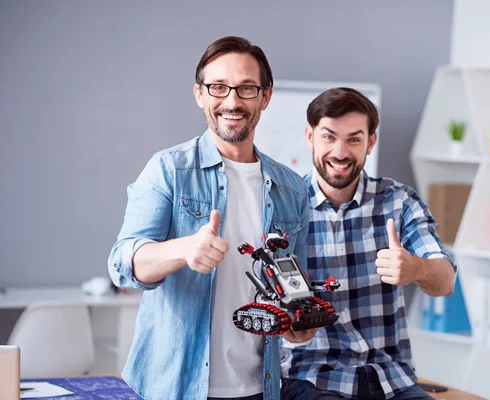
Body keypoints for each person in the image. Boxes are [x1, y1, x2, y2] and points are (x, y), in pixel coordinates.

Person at [108, 36, 315, 400]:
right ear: (200, 94)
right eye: (218, 87)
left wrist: (296, 322)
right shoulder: (169, 169)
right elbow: (123, 262)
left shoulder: (293, 189)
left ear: (265, 97)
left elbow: (293, 283)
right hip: (175, 387)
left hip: (260, 387)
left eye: (246, 88)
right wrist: (183, 250)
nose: (232, 101)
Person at [280, 88, 457, 400]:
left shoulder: (400, 201)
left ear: (370, 142)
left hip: (392, 380)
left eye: (353, 139)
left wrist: (415, 267)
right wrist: (288, 327)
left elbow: (445, 282)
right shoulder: (282, 208)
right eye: (329, 137)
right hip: (313, 378)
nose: (340, 151)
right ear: (310, 137)